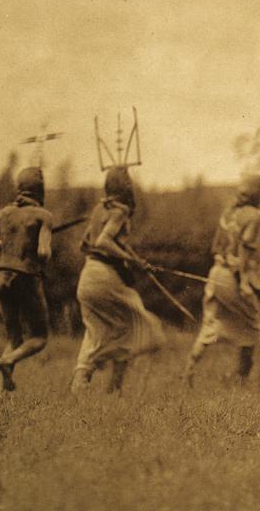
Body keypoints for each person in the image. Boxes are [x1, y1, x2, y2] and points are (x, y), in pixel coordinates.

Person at [70, 166, 165, 394]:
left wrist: (136, 259)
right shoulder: (121, 211)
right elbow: (103, 241)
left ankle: (82, 387)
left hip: (87, 277)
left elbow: (85, 244)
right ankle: (112, 388)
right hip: (105, 278)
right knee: (138, 328)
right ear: (126, 187)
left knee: (96, 332)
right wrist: (129, 260)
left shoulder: (98, 210)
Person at [183, 173, 260, 386]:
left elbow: (215, 248)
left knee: (211, 322)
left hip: (216, 273)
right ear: (258, 193)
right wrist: (245, 282)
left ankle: (188, 373)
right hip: (232, 277)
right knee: (252, 326)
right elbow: (246, 246)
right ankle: (241, 380)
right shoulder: (256, 216)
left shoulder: (228, 213)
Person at [0, 167, 54, 394]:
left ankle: (0, 396)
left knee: (14, 337)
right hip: (26, 278)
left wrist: (6, 244)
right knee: (39, 338)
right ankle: (8, 360)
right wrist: (42, 245)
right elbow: (43, 253)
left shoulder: (4, 213)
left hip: (2, 278)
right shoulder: (44, 216)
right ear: (40, 190)